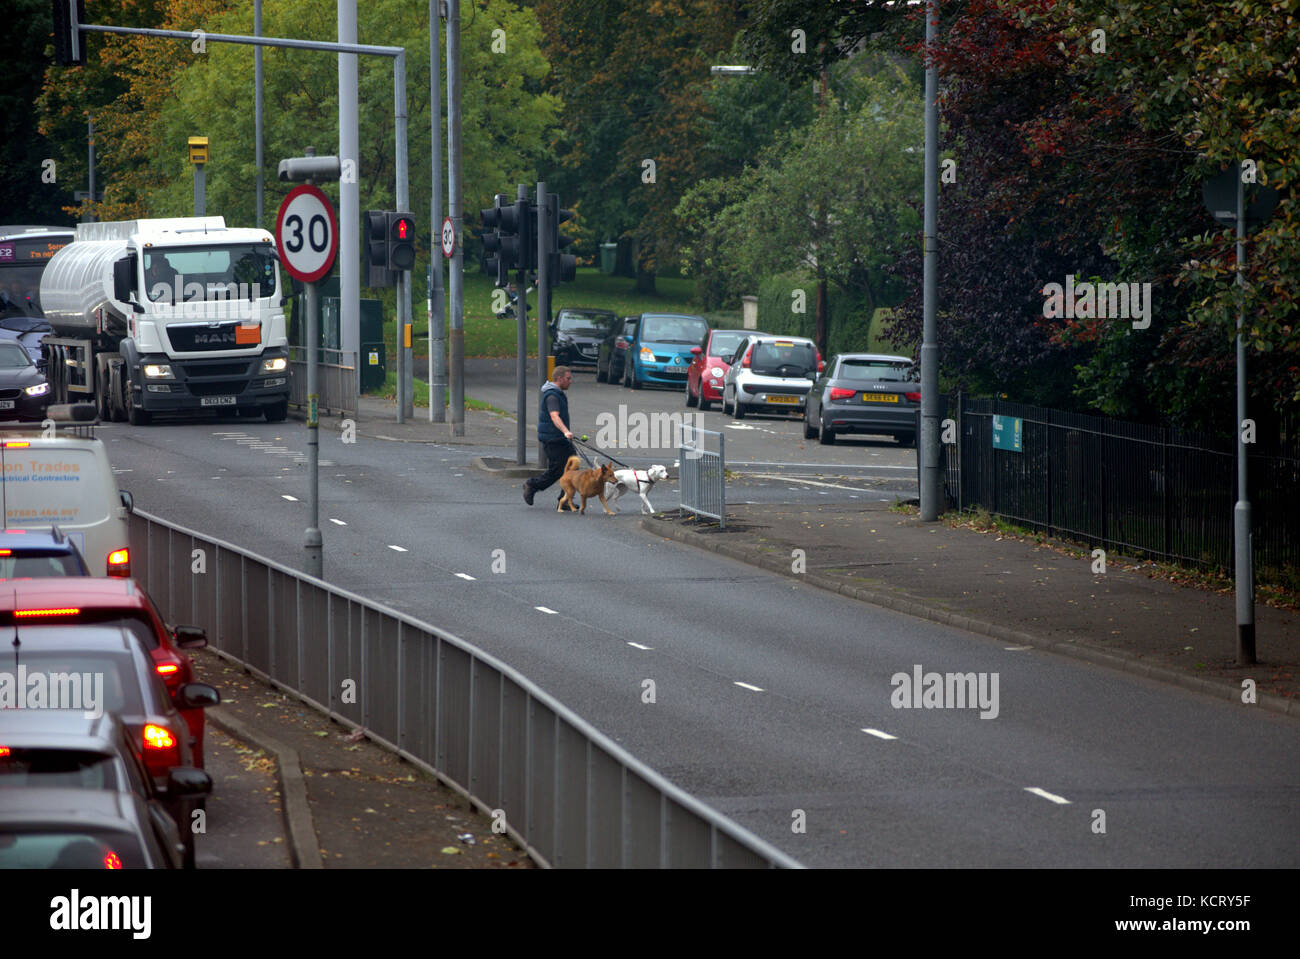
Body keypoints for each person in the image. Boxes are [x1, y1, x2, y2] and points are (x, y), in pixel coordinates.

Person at [523, 366, 576, 506]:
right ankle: (532, 485)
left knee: (573, 466)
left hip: (560, 439)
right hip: (553, 439)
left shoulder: (557, 393)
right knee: (557, 470)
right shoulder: (552, 396)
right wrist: (566, 431)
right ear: (559, 379)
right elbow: (554, 416)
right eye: (568, 378)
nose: (570, 381)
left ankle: (565, 500)